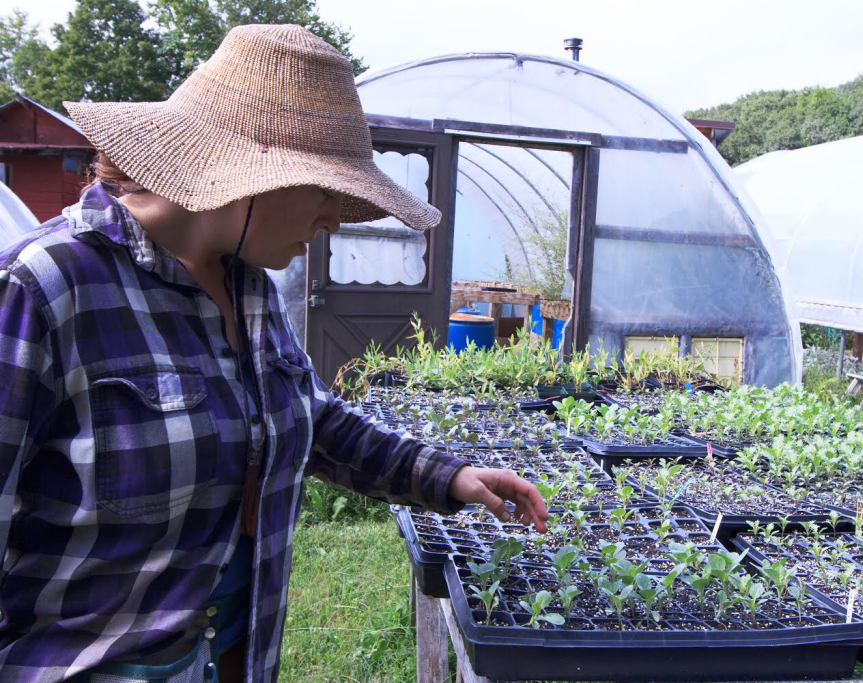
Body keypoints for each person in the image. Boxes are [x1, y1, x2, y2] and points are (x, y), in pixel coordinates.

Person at [0, 24, 548, 683]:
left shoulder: (247, 285)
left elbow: (308, 417)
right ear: (252, 177)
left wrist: (448, 476)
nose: (334, 221)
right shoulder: (44, 289)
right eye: (324, 192)